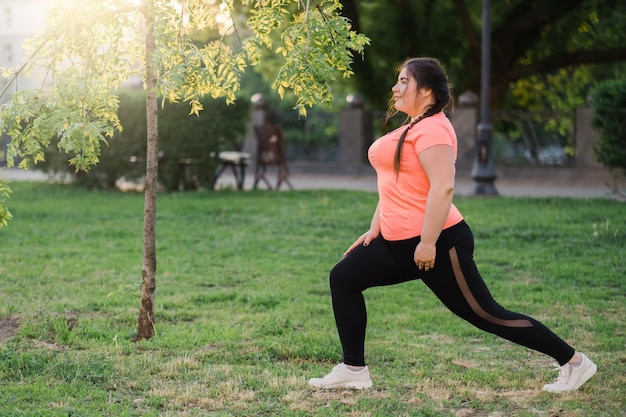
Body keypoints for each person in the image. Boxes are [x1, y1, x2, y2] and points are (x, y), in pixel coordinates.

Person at [308, 57, 597, 393]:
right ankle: (353, 369)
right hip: (397, 242)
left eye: (404, 81)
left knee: (486, 314)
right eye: (397, 80)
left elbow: (442, 186)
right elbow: (396, 182)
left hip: (439, 242)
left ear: (427, 89)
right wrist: (377, 227)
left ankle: (574, 362)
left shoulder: (434, 129)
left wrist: (428, 242)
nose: (395, 87)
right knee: (343, 277)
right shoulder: (411, 127)